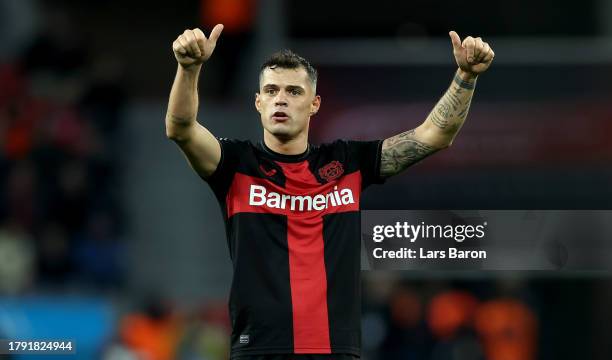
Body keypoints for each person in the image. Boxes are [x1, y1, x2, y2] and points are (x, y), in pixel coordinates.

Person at [165, 24, 494, 360]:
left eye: (294, 92)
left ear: (314, 104)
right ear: (258, 102)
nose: (281, 98)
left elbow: (433, 136)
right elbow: (180, 129)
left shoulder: (348, 163)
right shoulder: (235, 164)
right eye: (272, 90)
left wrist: (466, 76)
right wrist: (189, 68)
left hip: (334, 351)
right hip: (259, 350)